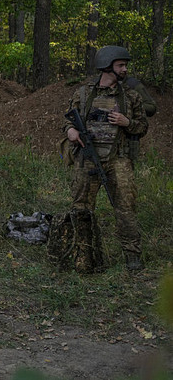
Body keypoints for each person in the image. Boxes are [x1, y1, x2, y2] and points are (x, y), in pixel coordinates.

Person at [64, 45, 148, 271]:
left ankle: (132, 255)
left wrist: (126, 122)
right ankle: (83, 255)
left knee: (125, 208)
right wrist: (71, 132)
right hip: (86, 158)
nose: (125, 69)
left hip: (118, 160)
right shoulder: (82, 93)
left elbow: (142, 127)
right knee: (81, 208)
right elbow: (68, 121)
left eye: (125, 65)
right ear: (107, 66)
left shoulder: (131, 97)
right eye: (121, 65)